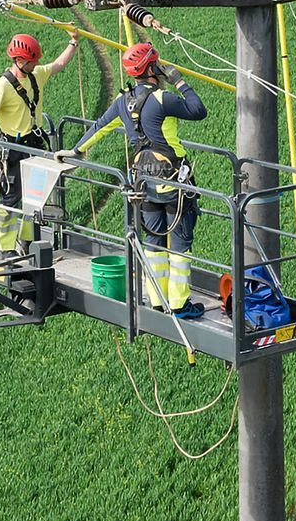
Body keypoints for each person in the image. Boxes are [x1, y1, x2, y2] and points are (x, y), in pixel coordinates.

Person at [65, 43, 208, 318]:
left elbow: (100, 126)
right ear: (152, 68)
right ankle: (179, 304)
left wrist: (75, 150)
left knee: (154, 240)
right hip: (173, 182)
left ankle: (157, 300)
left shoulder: (123, 101)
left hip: (142, 182)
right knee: (179, 243)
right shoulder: (163, 98)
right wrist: (179, 80)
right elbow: (198, 110)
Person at [0, 30, 78, 253]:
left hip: (34, 144)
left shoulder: (35, 75)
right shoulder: (2, 86)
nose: (35, 64)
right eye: (31, 61)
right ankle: (5, 247)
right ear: (19, 60)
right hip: (12, 148)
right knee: (11, 197)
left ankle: (27, 240)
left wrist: (73, 42)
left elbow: (58, 65)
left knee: (34, 197)